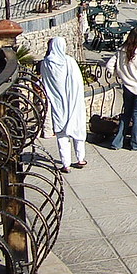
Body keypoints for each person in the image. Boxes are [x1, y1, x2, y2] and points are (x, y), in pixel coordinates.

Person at [40, 36, 87, 173]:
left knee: (62, 134)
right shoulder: (69, 61)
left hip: (57, 103)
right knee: (77, 130)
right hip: (72, 101)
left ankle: (66, 163)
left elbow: (44, 81)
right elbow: (77, 81)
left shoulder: (46, 63)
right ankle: (80, 158)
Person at [104, 27, 137, 151]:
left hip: (127, 87)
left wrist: (118, 75)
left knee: (126, 115)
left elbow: (109, 65)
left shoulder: (121, 50)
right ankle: (135, 143)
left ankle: (117, 142)